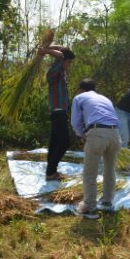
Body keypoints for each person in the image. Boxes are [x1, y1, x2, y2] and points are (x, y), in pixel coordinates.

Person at [70, 78, 121, 219]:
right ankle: (107, 203)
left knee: (89, 173)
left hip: (98, 133)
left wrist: (82, 135)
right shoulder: (104, 98)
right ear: (94, 88)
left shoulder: (79, 97)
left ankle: (91, 208)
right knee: (110, 170)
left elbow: (75, 122)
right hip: (115, 134)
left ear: (81, 89)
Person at [38, 46, 75, 181]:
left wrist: (47, 46)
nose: (69, 65)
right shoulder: (54, 71)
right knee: (64, 142)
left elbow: (62, 49)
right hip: (58, 111)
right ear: (63, 61)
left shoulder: (61, 72)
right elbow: (60, 54)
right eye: (69, 62)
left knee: (54, 143)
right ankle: (50, 172)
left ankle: (51, 172)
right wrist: (45, 51)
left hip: (59, 112)